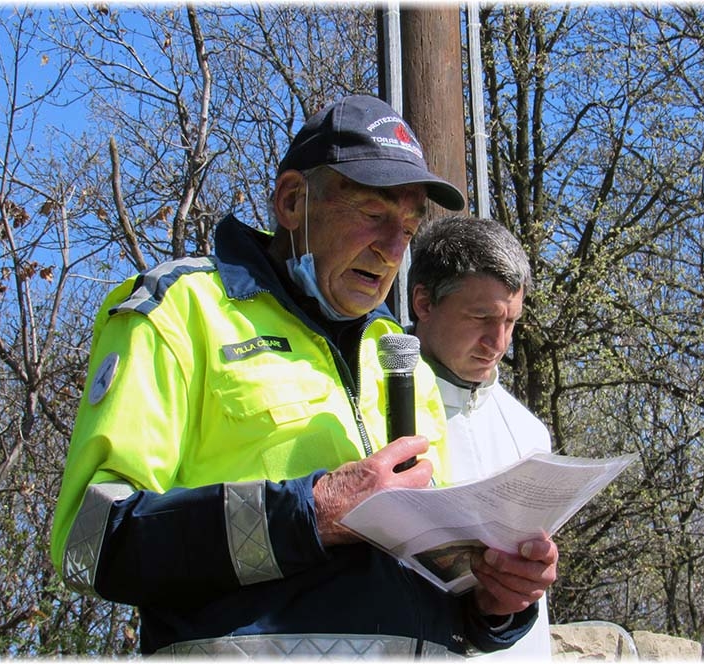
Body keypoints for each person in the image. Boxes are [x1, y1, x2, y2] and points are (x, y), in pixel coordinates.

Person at [49, 94, 558, 657]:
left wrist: (494, 600)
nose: (393, 250)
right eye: (373, 215)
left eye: (409, 229)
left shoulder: (398, 352)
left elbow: (428, 585)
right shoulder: (180, 309)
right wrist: (313, 512)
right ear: (293, 201)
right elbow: (90, 543)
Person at [409, 215, 554, 660]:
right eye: (482, 318)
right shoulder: (373, 406)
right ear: (424, 303)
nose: (499, 343)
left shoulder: (529, 433)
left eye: (511, 321)